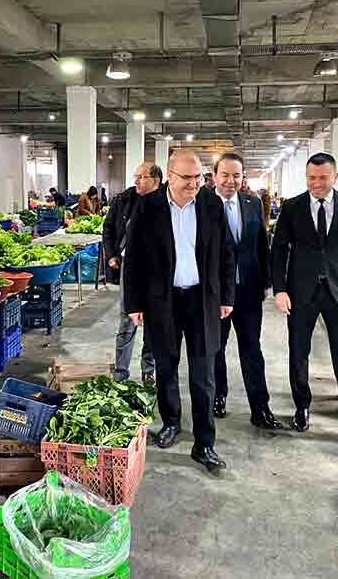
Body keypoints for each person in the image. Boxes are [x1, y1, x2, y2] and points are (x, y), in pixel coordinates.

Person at [124, 152, 235, 472]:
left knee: (204, 374)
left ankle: (205, 443)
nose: (194, 183)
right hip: (163, 301)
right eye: (187, 178)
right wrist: (134, 303)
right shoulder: (148, 206)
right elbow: (134, 259)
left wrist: (226, 296)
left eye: (199, 177)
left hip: (202, 300)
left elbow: (227, 253)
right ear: (170, 176)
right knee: (166, 366)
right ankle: (171, 422)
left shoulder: (211, 205)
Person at [270, 152, 338, 458]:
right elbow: (279, 251)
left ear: (335, 177)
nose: (316, 183)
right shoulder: (292, 207)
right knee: (298, 352)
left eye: (323, 178)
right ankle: (301, 406)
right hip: (301, 292)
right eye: (311, 178)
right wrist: (280, 289)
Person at [212, 154, 283, 430]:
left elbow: (261, 245)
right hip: (217, 294)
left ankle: (260, 407)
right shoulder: (203, 205)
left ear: (243, 177)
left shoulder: (252, 203)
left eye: (236, 175)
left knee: (252, 349)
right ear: (215, 176)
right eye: (225, 175)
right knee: (216, 348)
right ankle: (218, 395)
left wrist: (265, 282)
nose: (231, 181)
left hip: (249, 293)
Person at [103, 163, 162, 384]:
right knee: (127, 319)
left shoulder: (166, 201)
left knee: (154, 323)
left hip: (157, 270)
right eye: (135, 176)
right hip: (130, 267)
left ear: (156, 180)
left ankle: (149, 370)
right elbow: (108, 228)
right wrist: (111, 254)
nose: (136, 181)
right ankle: (121, 373)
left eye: (142, 177)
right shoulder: (123, 199)